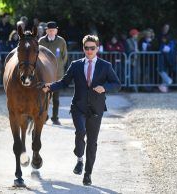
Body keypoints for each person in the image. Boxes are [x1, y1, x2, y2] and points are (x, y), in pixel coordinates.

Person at [42, 35, 121, 186]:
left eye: (92, 48)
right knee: (80, 132)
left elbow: (117, 84)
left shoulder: (105, 66)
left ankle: (88, 174)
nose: (89, 51)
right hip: (78, 107)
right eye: (87, 48)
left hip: (96, 109)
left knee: (92, 142)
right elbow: (64, 82)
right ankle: (79, 158)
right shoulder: (76, 65)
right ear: (83, 48)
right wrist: (50, 87)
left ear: (97, 48)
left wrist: (104, 87)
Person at [39, 21, 68, 125]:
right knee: (44, 97)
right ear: (46, 30)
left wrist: (59, 67)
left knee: (56, 98)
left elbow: (64, 57)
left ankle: (55, 117)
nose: (51, 32)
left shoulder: (61, 41)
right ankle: (45, 116)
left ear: (56, 31)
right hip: (44, 74)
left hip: (57, 74)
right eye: (49, 30)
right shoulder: (41, 41)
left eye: (53, 30)